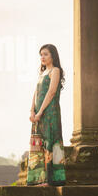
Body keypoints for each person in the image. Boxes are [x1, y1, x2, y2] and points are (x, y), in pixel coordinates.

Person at [26, 44, 66, 186]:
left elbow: (51, 92)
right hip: (38, 115)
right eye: (41, 55)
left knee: (50, 141)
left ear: (52, 56)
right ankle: (38, 179)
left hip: (50, 113)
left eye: (45, 54)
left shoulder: (55, 71)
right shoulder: (42, 73)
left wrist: (40, 112)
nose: (42, 57)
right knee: (38, 144)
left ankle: (50, 179)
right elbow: (35, 93)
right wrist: (32, 111)